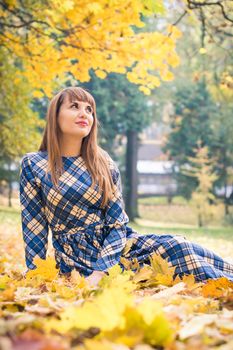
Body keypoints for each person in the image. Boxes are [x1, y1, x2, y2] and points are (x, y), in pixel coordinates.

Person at [19, 86, 233, 286]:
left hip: (118, 247)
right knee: (178, 251)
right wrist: (36, 275)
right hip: (79, 259)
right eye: (74, 106)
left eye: (89, 109)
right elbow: (34, 227)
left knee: (180, 244)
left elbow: (117, 224)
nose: (84, 113)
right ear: (55, 116)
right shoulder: (34, 164)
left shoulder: (102, 162)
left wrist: (102, 270)